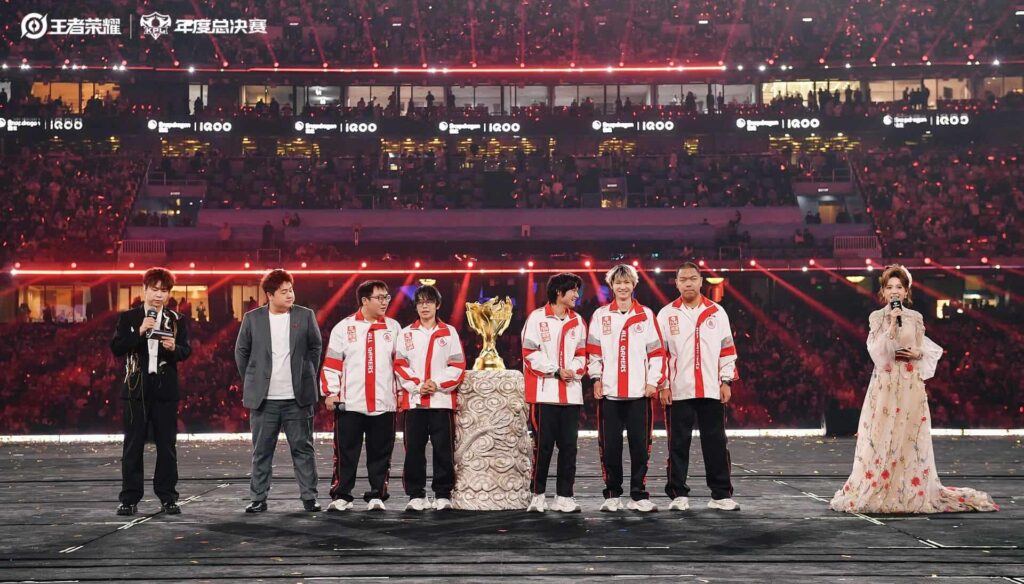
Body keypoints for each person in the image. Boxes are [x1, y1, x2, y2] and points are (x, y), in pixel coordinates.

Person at [830, 265, 998, 514]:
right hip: (886, 383)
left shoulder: (915, 318)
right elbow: (877, 353)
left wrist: (916, 352)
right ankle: (880, 485)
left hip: (909, 382)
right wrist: (890, 327)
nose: (894, 292)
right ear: (883, 292)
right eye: (890, 287)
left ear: (906, 291)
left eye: (899, 287)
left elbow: (924, 350)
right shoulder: (877, 317)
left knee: (909, 435)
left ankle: (910, 488)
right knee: (883, 434)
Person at [235, 269, 323, 513]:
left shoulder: (305, 316)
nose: (290, 295)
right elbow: (241, 352)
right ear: (269, 295)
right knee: (261, 451)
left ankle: (309, 497)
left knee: (303, 449)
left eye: (291, 290)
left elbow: (316, 347)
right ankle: (258, 498)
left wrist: (306, 375)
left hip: (297, 398)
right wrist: (254, 379)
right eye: (284, 292)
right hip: (265, 400)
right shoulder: (253, 318)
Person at [657, 262, 741, 512]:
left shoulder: (717, 312)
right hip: (678, 389)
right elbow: (659, 354)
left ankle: (721, 494)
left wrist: (726, 380)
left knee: (715, 442)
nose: (688, 283)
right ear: (676, 283)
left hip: (711, 388)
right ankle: (678, 494)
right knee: (677, 443)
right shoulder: (666, 314)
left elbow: (727, 349)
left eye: (693, 278)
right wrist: (663, 384)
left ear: (701, 280)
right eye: (683, 279)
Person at [110, 267, 191, 516]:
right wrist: (139, 331)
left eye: (163, 291)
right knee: (133, 446)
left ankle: (168, 497)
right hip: (136, 390)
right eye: (154, 289)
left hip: (165, 390)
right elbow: (117, 348)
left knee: (167, 446)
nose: (158, 295)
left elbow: (186, 350)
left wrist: (173, 348)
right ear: (144, 289)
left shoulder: (176, 319)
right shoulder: (129, 318)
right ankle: (129, 498)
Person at [587, 264, 666, 512]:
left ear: (634, 285)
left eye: (627, 282)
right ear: (611, 286)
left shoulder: (646, 315)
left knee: (640, 446)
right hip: (610, 392)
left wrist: (653, 381)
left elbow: (657, 353)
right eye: (618, 283)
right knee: (609, 445)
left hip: (639, 394)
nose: (622, 287)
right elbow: (593, 352)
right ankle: (612, 494)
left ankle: (638, 494)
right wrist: (596, 378)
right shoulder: (601, 316)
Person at [321, 280, 402, 511]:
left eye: (387, 297)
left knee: (381, 452)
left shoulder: (394, 328)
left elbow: (402, 365)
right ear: (365, 300)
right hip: (350, 402)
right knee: (346, 451)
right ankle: (342, 495)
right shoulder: (343, 327)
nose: (385, 301)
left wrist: (402, 394)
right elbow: (332, 363)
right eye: (380, 297)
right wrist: (330, 392)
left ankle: (377, 494)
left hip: (384, 401)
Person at [394, 285, 466, 511]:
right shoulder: (406, 333)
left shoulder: (449, 332)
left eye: (429, 301)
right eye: (420, 302)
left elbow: (458, 365)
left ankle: (443, 494)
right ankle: (416, 495)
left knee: (443, 449)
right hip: (414, 402)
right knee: (413, 449)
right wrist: (417, 386)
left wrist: (437, 384)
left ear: (438, 305)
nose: (424, 306)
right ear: (415, 306)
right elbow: (399, 365)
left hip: (441, 401)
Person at [521, 273, 587, 513]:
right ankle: (537, 495)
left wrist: (575, 370)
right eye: (573, 291)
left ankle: (564, 496)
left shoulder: (578, 321)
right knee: (543, 446)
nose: (577, 295)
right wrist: (556, 371)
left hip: (571, 395)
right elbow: (529, 353)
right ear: (560, 292)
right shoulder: (537, 318)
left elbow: (583, 354)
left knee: (569, 446)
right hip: (544, 395)